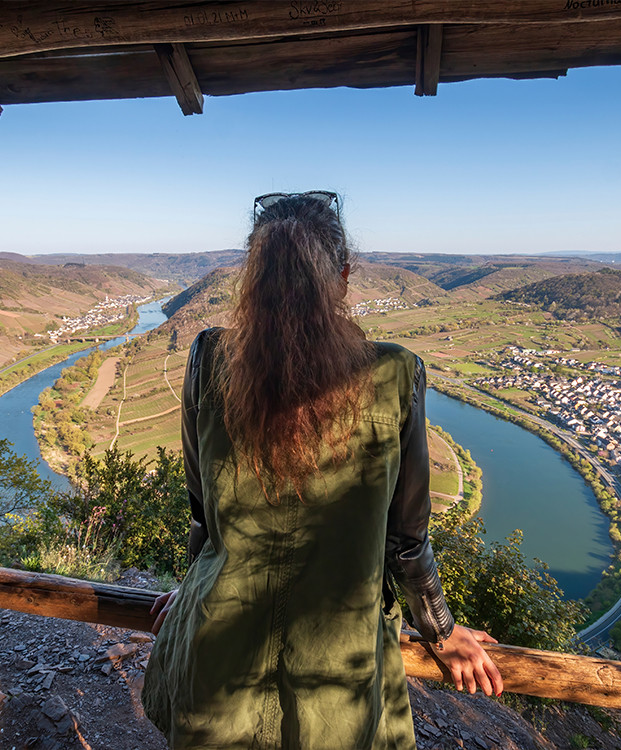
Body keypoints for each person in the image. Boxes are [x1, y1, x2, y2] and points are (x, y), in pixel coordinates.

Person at [141, 191, 502, 749]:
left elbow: (202, 511)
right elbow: (406, 541)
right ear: (344, 277)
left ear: (252, 278)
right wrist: (442, 631)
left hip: (215, 659)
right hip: (337, 678)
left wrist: (194, 585)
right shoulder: (396, 373)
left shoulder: (207, 358)